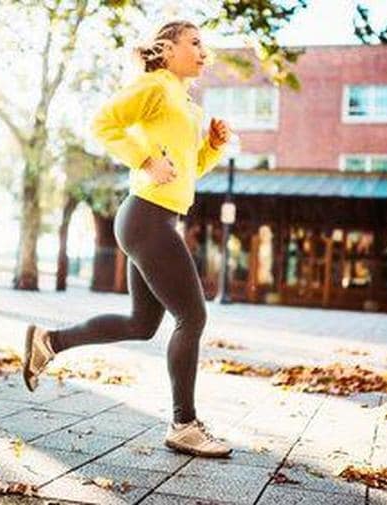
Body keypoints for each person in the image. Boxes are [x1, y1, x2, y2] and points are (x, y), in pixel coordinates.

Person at [22, 20, 233, 458]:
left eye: (203, 44)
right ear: (168, 49)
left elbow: (187, 170)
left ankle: (49, 342)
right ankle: (184, 424)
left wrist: (210, 148)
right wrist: (145, 159)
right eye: (193, 42)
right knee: (191, 318)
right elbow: (103, 124)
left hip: (158, 219)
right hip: (145, 217)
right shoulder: (154, 86)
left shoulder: (188, 106)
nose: (202, 51)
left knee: (142, 324)